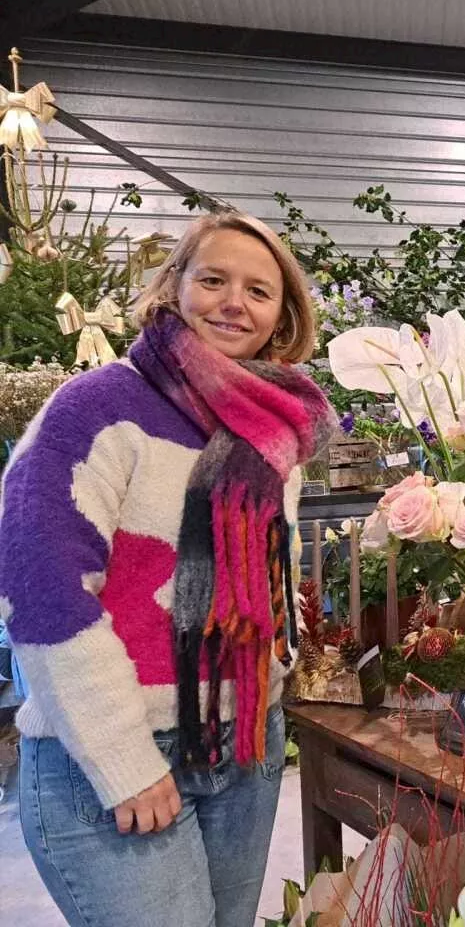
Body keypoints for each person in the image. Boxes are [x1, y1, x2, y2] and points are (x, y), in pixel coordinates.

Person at [0, 211, 336, 927]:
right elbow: (41, 589)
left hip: (245, 742)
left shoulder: (270, 434)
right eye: (213, 279)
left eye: (258, 290)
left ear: (282, 315)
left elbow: (266, 582)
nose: (233, 303)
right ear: (173, 286)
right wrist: (124, 760)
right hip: (114, 751)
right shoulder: (95, 409)